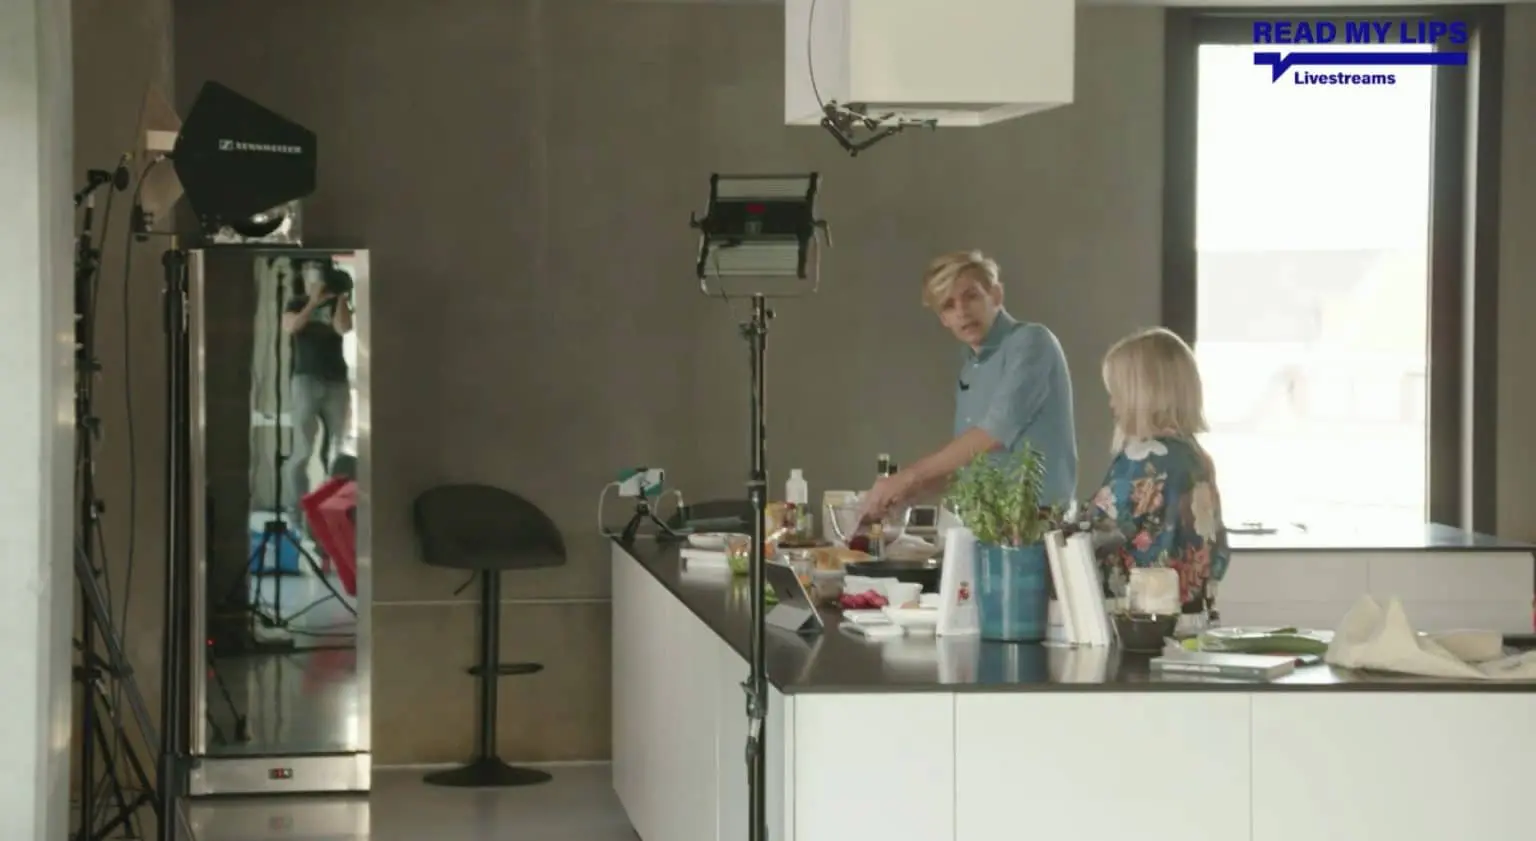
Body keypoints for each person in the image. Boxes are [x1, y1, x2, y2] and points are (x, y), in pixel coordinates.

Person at [858, 250, 1079, 521]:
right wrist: (910, 494)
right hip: (985, 523)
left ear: (996, 295)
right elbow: (970, 460)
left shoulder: (1031, 342)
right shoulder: (970, 368)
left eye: (971, 296)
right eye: (948, 305)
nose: (962, 311)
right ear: (943, 319)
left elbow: (995, 432)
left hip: (1036, 523)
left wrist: (909, 476)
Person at [1087, 327, 1230, 610]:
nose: (1112, 404)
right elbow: (1218, 552)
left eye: (1117, 393)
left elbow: (1095, 533)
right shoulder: (1197, 459)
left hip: (1140, 616)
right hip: (1193, 614)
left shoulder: (1143, 462)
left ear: (1141, 395)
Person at [282, 261, 353, 514]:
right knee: (302, 449)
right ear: (303, 274)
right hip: (306, 380)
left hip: (337, 381)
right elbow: (291, 327)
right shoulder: (296, 302)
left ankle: (330, 510)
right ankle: (297, 511)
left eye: (318, 270)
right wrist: (312, 302)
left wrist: (341, 296)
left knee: (336, 448)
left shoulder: (337, 302)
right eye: (310, 269)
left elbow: (343, 328)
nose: (314, 274)